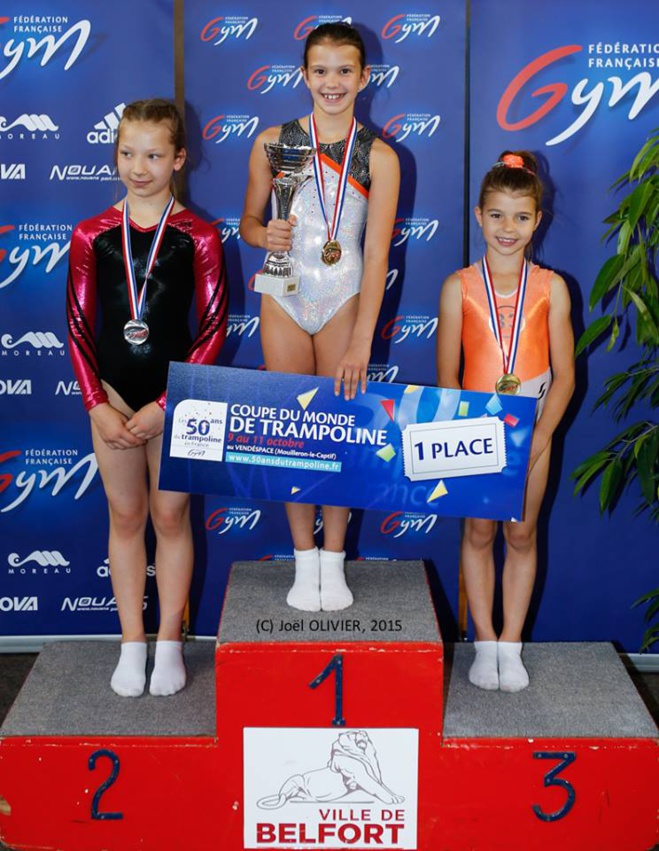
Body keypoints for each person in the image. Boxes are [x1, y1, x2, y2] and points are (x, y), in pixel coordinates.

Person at [66, 99, 228, 697]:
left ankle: (169, 642)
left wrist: (168, 403)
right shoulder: (90, 234)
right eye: (128, 154)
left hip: (177, 397)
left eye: (154, 155)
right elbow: (77, 324)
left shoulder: (199, 236)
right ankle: (132, 642)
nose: (139, 167)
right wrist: (96, 403)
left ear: (179, 158)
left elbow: (212, 327)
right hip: (110, 392)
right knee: (127, 515)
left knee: (170, 516)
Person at [240, 22, 400, 612]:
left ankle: (333, 560)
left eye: (344, 71)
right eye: (321, 70)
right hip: (283, 296)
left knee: (338, 431)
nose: (332, 82)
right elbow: (248, 222)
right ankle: (302, 559)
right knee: (291, 433)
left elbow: (377, 255)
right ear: (304, 75)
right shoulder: (271, 141)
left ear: (364, 77)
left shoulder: (380, 157)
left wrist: (361, 342)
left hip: (343, 299)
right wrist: (264, 235)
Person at [437, 151, 574, 692]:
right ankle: (485, 641)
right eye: (497, 215)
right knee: (478, 532)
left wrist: (540, 437)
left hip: (533, 427)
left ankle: (511, 643)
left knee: (521, 534)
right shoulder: (458, 287)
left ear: (537, 220)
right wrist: (463, 434)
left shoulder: (552, 288)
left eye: (520, 216)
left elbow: (565, 377)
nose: (507, 228)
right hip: (476, 430)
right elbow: (447, 374)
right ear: (479, 216)